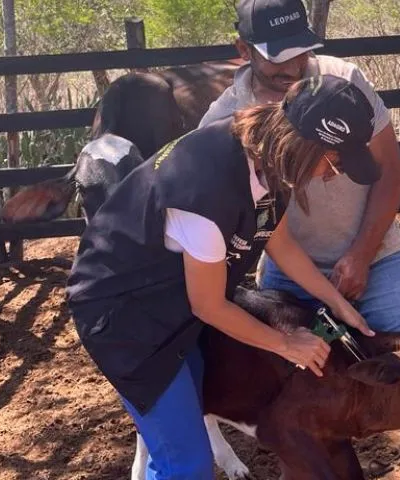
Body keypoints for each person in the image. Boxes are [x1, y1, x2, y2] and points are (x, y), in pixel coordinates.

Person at [66, 75, 378, 480]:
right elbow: (209, 304)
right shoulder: (206, 189)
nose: (332, 174)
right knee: (187, 462)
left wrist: (336, 303)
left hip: (171, 303)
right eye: (334, 161)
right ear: (305, 145)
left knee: (190, 417)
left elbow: (276, 241)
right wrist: (287, 344)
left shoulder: (265, 154)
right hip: (125, 316)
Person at [199, 0, 400, 477]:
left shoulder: (345, 81)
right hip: (289, 272)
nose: (292, 67)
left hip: (376, 256)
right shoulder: (225, 119)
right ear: (243, 49)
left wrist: (361, 253)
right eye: (277, 56)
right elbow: (253, 225)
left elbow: (391, 173)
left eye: (301, 52)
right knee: (299, 404)